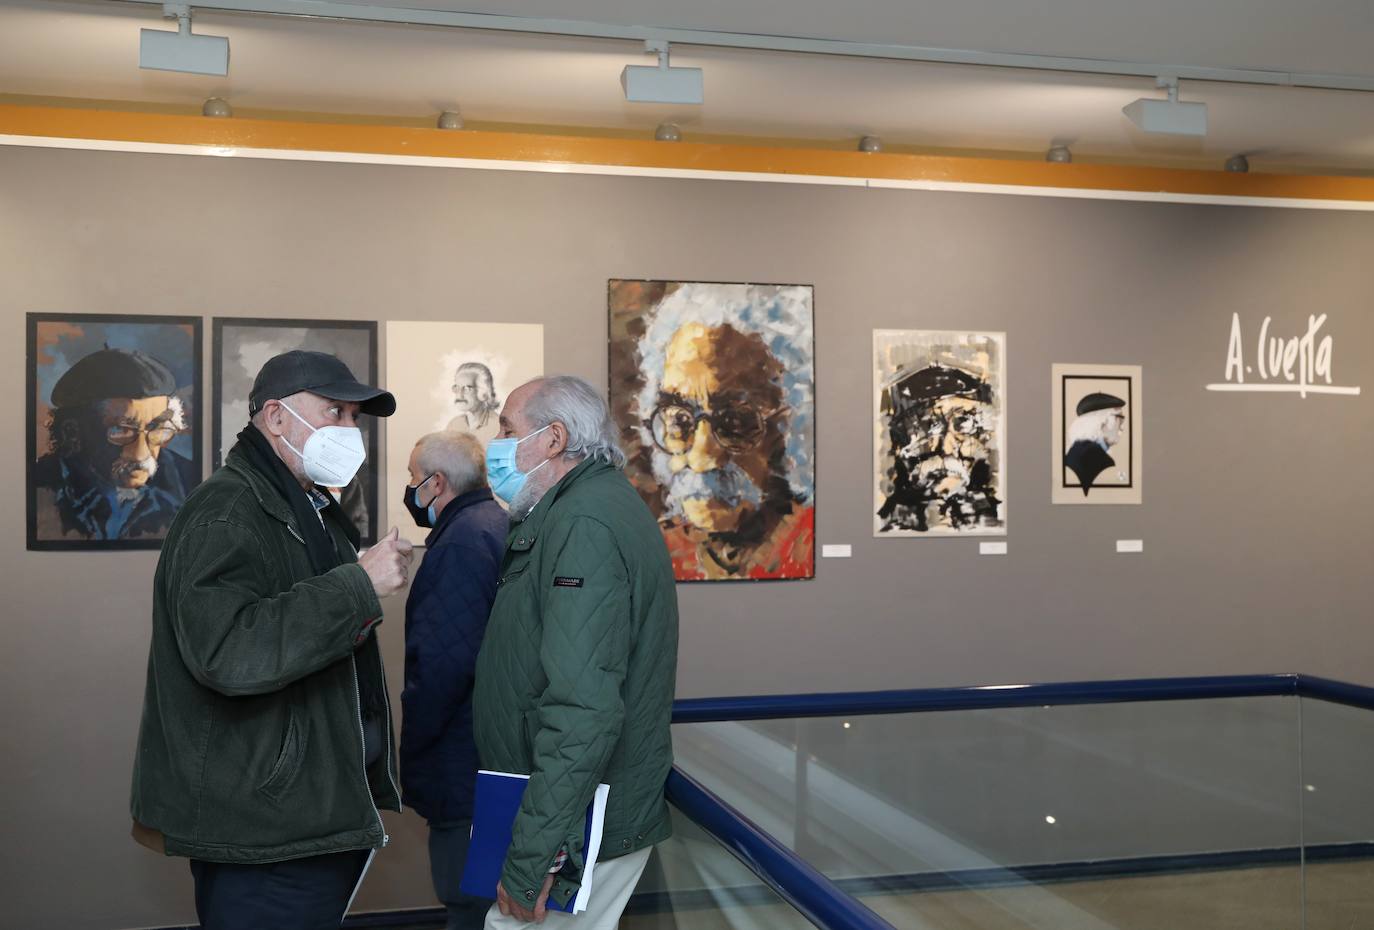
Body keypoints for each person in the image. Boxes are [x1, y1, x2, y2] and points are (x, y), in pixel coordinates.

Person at [129, 350, 413, 930]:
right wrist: (356, 585)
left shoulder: (304, 506)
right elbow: (227, 654)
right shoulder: (229, 510)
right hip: (264, 824)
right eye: (335, 411)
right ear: (277, 418)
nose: (349, 431)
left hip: (298, 815)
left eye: (354, 417)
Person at [473, 375, 679, 930]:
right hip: (561, 812)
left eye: (507, 428)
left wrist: (540, 855)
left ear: (554, 438)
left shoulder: (582, 523)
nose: (495, 443)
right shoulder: (578, 509)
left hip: (577, 827)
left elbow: (583, 709)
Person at [400, 430, 508, 930]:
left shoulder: (461, 543)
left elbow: (443, 666)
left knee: (467, 901)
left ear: (436, 483)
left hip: (462, 761)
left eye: (412, 479)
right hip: (486, 755)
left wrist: (411, 749)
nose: (410, 490)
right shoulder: (494, 523)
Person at [632, 284, 814, 580]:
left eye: (737, 422)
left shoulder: (809, 540)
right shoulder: (650, 550)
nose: (703, 458)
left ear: (788, 430)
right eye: (679, 420)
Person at [33, 346, 198, 541]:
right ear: (73, 432)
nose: (141, 454)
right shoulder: (37, 486)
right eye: (122, 430)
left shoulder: (189, 482)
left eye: (156, 427)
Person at [877, 363, 1002, 533]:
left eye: (963, 422)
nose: (946, 448)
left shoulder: (986, 516)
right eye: (929, 426)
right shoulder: (895, 518)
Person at [1064, 391, 1128, 495]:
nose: (1122, 427)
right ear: (1102, 422)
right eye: (1119, 418)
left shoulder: (1077, 450)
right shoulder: (1100, 460)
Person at [446, 362, 500, 436]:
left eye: (467, 388)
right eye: (457, 387)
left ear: (484, 392)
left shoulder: (498, 426)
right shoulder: (454, 425)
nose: (459, 395)